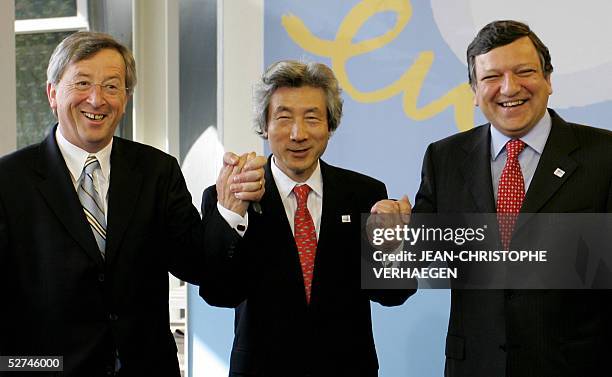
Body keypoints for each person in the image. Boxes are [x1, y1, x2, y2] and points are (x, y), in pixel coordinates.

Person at [0, 31, 265, 377]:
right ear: (52, 93)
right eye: (82, 83)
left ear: (125, 100)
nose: (96, 99)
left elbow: (202, 270)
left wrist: (228, 210)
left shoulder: (157, 171)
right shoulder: (9, 181)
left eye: (112, 87)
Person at [373, 20, 612, 377]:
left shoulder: (604, 155)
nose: (509, 87)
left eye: (524, 71)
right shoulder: (445, 159)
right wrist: (386, 242)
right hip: (474, 367)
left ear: (548, 79)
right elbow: (396, 288)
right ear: (473, 89)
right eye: (491, 77)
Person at [199, 60, 413, 377]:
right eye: (284, 118)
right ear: (264, 126)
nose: (298, 134)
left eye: (312, 118)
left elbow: (393, 295)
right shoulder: (234, 195)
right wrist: (231, 214)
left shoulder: (364, 192)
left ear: (330, 125)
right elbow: (219, 293)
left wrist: (393, 246)